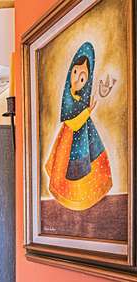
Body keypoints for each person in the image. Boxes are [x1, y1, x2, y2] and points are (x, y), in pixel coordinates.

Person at [45, 41, 113, 211]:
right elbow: (73, 123)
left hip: (84, 136)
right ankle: (72, 198)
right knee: (70, 168)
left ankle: (89, 196)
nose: (76, 79)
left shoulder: (81, 99)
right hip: (70, 140)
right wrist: (88, 111)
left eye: (82, 78)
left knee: (92, 158)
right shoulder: (69, 98)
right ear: (70, 71)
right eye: (75, 72)